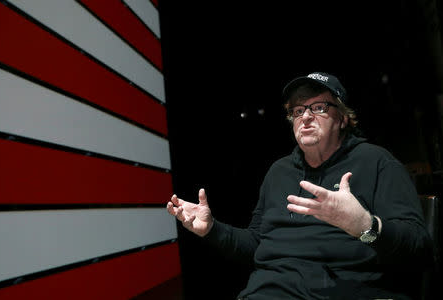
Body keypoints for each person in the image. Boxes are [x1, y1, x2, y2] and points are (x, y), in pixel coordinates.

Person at [167, 72, 432, 299]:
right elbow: (258, 244)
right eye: (297, 110)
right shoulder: (279, 172)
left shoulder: (377, 162)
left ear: (342, 119)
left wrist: (364, 226)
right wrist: (212, 229)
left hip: (350, 291)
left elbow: (419, 249)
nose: (305, 117)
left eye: (318, 107)